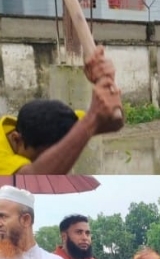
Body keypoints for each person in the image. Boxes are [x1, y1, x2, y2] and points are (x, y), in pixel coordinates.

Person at [0, 47, 122, 175]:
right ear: (16, 139)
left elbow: (113, 120)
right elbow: (34, 179)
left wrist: (107, 81)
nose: (54, 161)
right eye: (40, 158)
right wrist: (90, 123)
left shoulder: (60, 124)